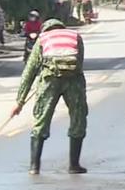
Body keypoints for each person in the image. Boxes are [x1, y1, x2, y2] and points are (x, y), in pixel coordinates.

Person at [12, 19, 88, 175]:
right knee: (78, 119)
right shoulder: (75, 36)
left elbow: (30, 71)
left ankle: (34, 167)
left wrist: (19, 101)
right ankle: (74, 165)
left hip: (49, 81)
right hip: (73, 80)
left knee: (41, 120)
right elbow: (79, 63)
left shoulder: (42, 39)